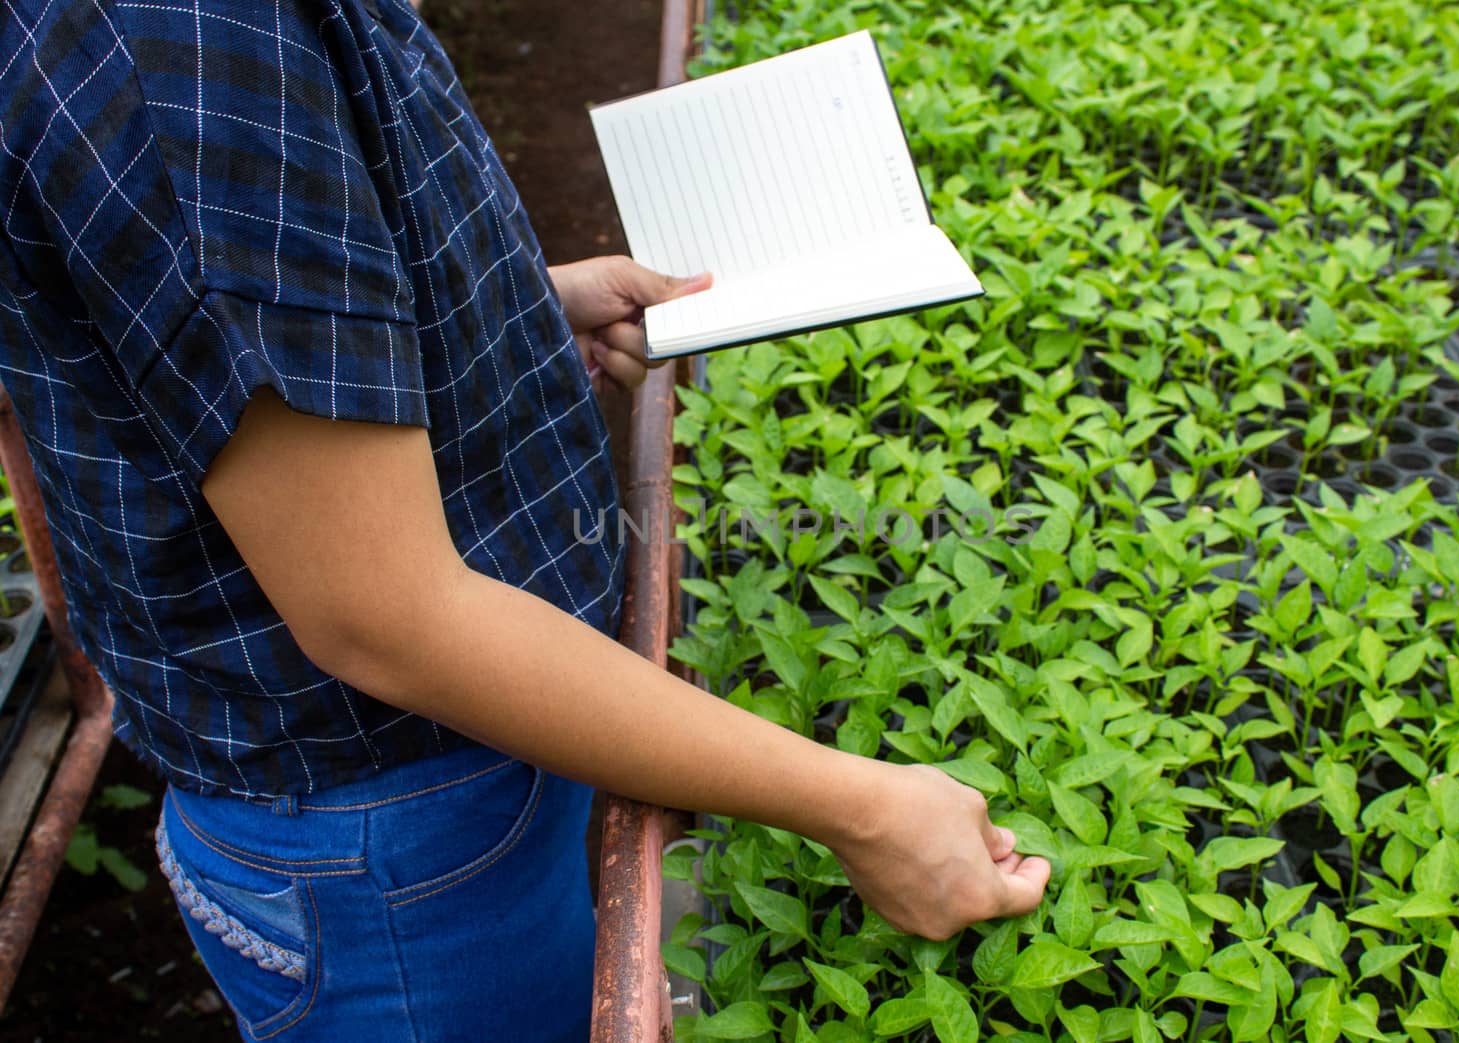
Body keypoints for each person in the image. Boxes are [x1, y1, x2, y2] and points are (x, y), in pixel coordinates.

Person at [0, 1, 1050, 1039]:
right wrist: (863, 808)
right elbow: (385, 616)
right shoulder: (178, 40)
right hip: (388, 852)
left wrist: (515, 307)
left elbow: (213, 312)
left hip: (449, 781)